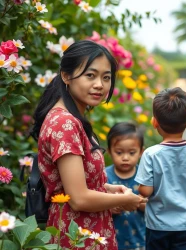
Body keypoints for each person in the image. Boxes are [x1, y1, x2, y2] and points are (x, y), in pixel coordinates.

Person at [31, 40, 147, 250]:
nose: (99, 85)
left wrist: (109, 189)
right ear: (66, 76)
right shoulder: (64, 123)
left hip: (87, 232)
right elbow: (79, 199)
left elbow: (77, 183)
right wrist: (125, 201)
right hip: (77, 236)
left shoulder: (72, 118)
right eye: (90, 75)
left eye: (106, 77)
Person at [135, 87, 186, 250]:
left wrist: (138, 187)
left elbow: (145, 191)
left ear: (154, 122)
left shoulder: (151, 154)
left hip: (157, 225)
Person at [106, 122, 146, 250]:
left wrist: (140, 203)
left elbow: (155, 207)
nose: (125, 157)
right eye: (119, 152)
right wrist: (108, 208)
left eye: (132, 153)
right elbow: (96, 203)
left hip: (140, 239)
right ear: (109, 152)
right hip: (111, 241)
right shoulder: (104, 176)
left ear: (141, 152)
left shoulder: (145, 177)